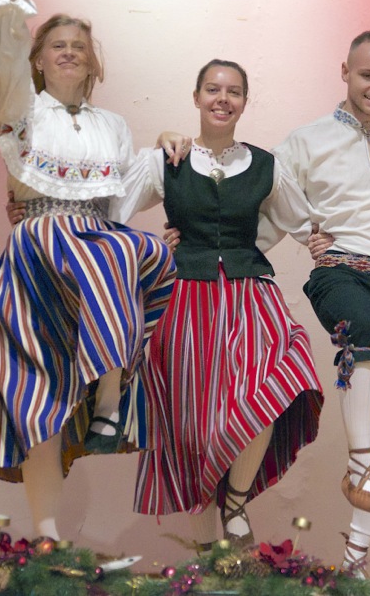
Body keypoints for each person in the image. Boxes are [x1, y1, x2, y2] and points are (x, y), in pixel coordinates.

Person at [0, 0, 175, 541]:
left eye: (78, 48)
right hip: (40, 251)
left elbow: (123, 195)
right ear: (37, 59)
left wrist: (167, 152)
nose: (68, 53)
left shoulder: (112, 125)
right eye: (56, 45)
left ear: (92, 64)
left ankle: (109, 400)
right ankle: (47, 534)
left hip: (92, 245)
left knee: (138, 250)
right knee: (38, 395)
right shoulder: (23, 110)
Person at [113, 60, 323, 551]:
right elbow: (110, 212)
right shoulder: (166, 160)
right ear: (196, 97)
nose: (222, 99)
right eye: (213, 89)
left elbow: (306, 224)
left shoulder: (267, 165)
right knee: (191, 426)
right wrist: (151, 248)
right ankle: (208, 558)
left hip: (250, 295)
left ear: (245, 102)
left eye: (233, 91)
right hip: (185, 300)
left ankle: (236, 501)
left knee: (275, 382)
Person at [273, 30, 370, 576]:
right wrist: (302, 232)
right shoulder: (306, 140)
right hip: (340, 272)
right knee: (363, 326)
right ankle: (358, 462)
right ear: (344, 71)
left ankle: (354, 563)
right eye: (367, 75)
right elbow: (266, 196)